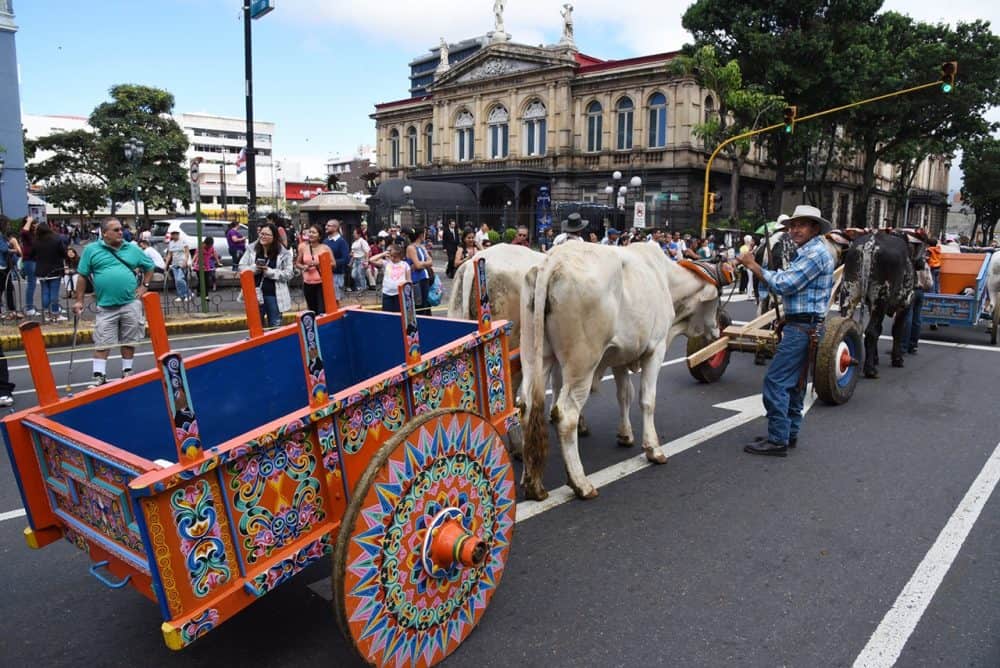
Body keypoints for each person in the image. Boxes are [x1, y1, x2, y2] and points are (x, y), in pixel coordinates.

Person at [736, 204, 835, 457]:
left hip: (803, 327)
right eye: (792, 225)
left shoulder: (814, 254)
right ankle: (788, 433)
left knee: (776, 381)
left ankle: (778, 438)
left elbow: (785, 284)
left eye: (801, 225)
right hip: (804, 326)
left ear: (814, 228)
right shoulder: (809, 251)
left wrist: (752, 265)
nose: (795, 230)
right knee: (795, 383)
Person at [73, 218, 155, 386]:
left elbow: (149, 266)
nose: (121, 233)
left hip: (130, 302)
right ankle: (99, 376)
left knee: (129, 339)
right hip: (106, 305)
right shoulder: (91, 250)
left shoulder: (132, 248)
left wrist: (144, 286)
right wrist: (79, 300)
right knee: (103, 340)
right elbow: (82, 276)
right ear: (105, 234)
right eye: (116, 230)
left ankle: (127, 371)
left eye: (121, 229)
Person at [240, 222, 293, 327]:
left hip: (274, 295)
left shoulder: (284, 253)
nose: (262, 236)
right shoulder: (252, 249)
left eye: (266, 235)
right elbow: (241, 267)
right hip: (253, 293)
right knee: (255, 326)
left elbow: (289, 273)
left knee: (275, 326)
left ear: (274, 237)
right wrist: (254, 268)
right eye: (261, 233)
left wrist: (270, 272)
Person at [31, 223, 69, 322]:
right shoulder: (56, 240)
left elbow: (32, 255)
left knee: (45, 292)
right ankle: (55, 314)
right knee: (54, 293)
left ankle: (46, 313)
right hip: (55, 269)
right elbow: (64, 253)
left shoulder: (36, 241)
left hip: (41, 270)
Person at [295, 223, 331, 313]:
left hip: (321, 283)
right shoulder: (303, 247)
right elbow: (297, 263)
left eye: (314, 232)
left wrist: (320, 263)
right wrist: (304, 267)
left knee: (321, 310)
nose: (311, 234)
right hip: (307, 283)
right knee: (312, 309)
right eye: (310, 232)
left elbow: (333, 263)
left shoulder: (325, 248)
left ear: (319, 236)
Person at [368, 242, 411, 312]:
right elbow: (371, 260)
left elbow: (409, 280)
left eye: (395, 257)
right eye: (391, 256)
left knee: (399, 314)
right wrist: (383, 254)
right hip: (387, 293)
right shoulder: (386, 263)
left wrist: (408, 295)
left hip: (400, 294)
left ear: (400, 256)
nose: (393, 258)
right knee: (387, 314)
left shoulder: (405, 265)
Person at [405, 227, 434, 316]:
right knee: (419, 304)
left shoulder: (422, 247)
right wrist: (424, 263)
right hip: (416, 280)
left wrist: (422, 264)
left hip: (425, 277)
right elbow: (417, 265)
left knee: (426, 303)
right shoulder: (411, 248)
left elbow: (430, 261)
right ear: (421, 235)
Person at [0, 216, 22, 320]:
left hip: (4, 266)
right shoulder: (0, 236)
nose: (8, 226)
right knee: (5, 288)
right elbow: (4, 249)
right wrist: (14, 250)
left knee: (8, 288)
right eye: (7, 224)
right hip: (2, 266)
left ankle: (11, 311)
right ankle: (10, 311)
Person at [323, 219, 349, 300]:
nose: (326, 227)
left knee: (335, 300)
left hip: (337, 275)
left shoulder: (342, 242)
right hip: (325, 274)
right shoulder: (325, 241)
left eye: (328, 225)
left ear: (335, 228)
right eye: (326, 225)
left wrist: (330, 263)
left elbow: (345, 259)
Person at [164, 229, 192, 303]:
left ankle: (188, 294)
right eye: (173, 234)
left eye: (176, 234)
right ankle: (181, 295)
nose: (174, 235)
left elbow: (187, 252)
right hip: (174, 263)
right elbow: (169, 254)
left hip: (182, 263)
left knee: (180, 279)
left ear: (178, 234)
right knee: (177, 281)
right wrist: (166, 264)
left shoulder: (183, 241)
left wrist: (185, 261)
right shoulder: (171, 243)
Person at [20, 216, 39, 316]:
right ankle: (29, 308)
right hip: (29, 260)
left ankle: (30, 307)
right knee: (31, 284)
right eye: (34, 223)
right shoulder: (26, 234)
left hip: (34, 260)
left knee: (33, 283)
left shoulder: (33, 235)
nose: (36, 225)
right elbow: (24, 231)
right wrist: (29, 220)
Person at [350, 226, 370, 292]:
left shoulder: (362, 241)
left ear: (359, 234)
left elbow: (367, 251)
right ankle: (361, 286)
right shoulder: (354, 242)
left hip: (362, 259)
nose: (353, 235)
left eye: (354, 233)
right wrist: (351, 262)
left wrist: (366, 261)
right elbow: (353, 253)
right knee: (354, 275)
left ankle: (362, 288)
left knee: (361, 274)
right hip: (355, 260)